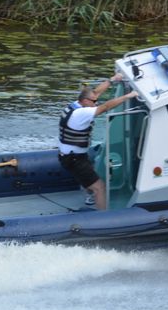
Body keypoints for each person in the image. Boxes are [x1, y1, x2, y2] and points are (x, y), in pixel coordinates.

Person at [58, 73, 138, 210]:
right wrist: (128, 96)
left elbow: (96, 92)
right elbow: (105, 107)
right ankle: (103, 218)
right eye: (94, 102)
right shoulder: (82, 113)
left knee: (90, 170)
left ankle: (90, 195)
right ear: (85, 101)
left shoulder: (75, 106)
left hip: (71, 155)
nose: (96, 103)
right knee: (100, 187)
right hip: (74, 159)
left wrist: (112, 80)